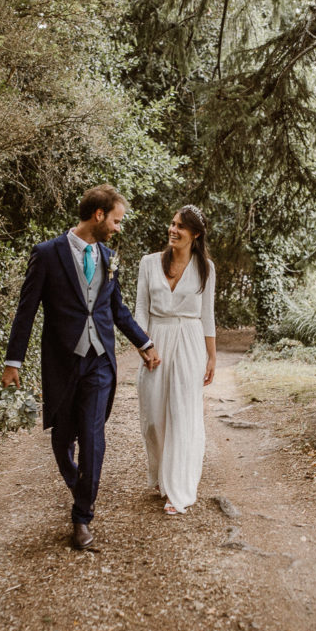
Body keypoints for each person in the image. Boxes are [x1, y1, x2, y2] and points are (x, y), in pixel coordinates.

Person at [1, 185, 161, 549]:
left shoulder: (110, 257)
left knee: (92, 437)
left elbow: (116, 310)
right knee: (62, 440)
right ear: (99, 215)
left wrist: (145, 343)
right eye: (116, 221)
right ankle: (80, 485)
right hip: (62, 361)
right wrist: (13, 362)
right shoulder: (47, 254)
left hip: (100, 361)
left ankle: (82, 517)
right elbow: (26, 311)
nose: (119, 228)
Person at [134, 205, 216, 515]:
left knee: (183, 414)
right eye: (172, 223)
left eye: (181, 226)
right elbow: (141, 309)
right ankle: (160, 474)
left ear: (195, 234)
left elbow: (207, 317)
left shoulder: (205, 267)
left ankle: (178, 489)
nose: (173, 230)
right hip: (156, 339)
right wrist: (143, 343)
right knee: (154, 418)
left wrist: (212, 357)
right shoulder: (149, 263)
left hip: (190, 342)